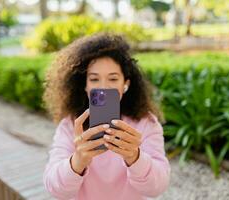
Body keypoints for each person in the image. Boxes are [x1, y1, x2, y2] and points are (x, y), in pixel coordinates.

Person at [42, 33, 170, 200]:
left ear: (126, 84)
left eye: (113, 78)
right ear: (85, 86)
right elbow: (54, 189)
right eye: (94, 79)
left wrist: (135, 157)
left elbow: (157, 188)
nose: (103, 87)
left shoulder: (146, 123)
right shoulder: (71, 125)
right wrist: (78, 160)